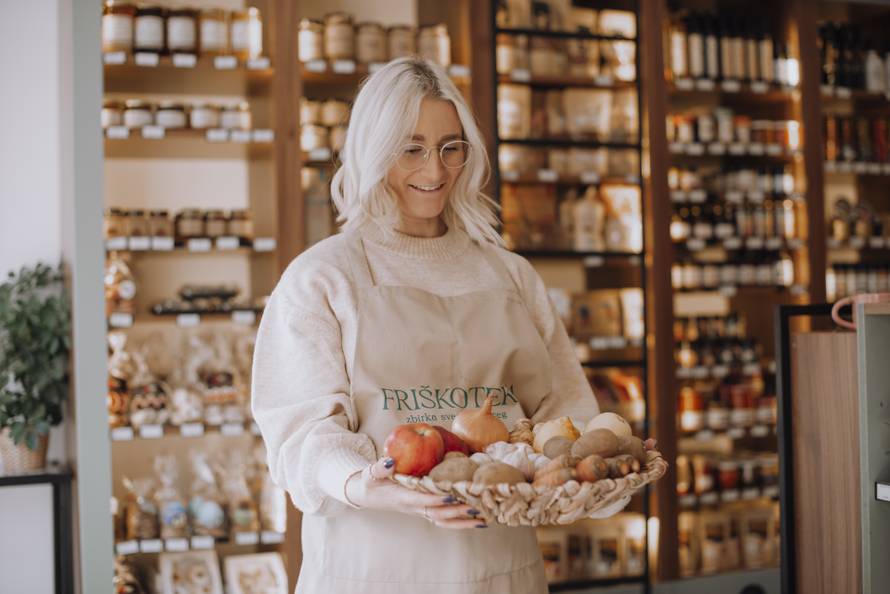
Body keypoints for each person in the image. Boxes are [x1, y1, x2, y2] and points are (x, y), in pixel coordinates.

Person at [251, 57, 625, 594]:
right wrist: (365, 484)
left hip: (501, 567)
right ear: (372, 152)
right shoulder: (323, 276)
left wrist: (590, 473)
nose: (435, 171)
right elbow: (301, 435)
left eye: (452, 148)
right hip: (372, 565)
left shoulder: (509, 273)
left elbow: (565, 414)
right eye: (411, 149)